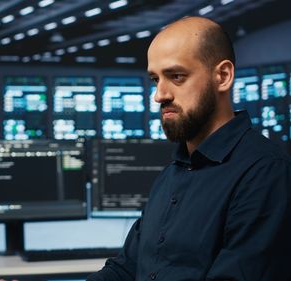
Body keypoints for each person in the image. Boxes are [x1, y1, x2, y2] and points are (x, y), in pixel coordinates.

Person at [87, 16, 291, 281]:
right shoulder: (173, 174)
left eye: (176, 76)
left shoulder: (265, 173)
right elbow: (126, 269)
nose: (160, 95)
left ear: (223, 76)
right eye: (155, 80)